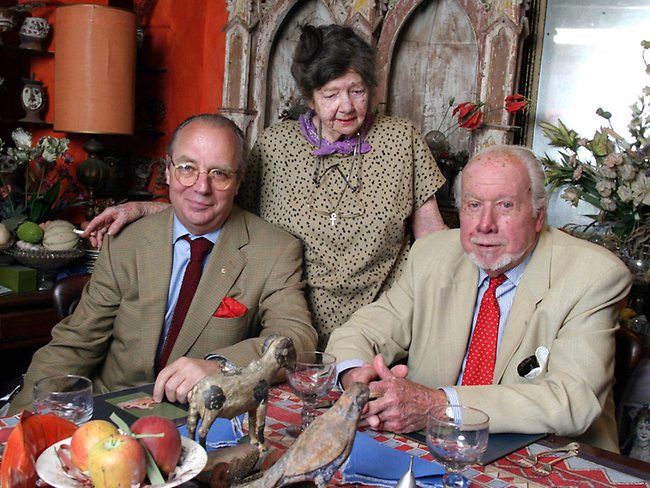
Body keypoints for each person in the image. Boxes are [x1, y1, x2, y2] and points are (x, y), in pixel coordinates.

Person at [82, 24, 448, 349]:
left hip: (382, 330)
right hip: (285, 328)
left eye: (357, 91)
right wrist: (144, 208)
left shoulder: (402, 140)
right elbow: (222, 210)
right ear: (308, 97)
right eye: (331, 94)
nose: (347, 107)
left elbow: (432, 236)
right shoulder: (275, 146)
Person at [325, 144, 632, 452]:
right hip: (432, 447)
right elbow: (361, 332)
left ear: (539, 215)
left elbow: (573, 399)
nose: (485, 225)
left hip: (550, 457)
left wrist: (438, 404)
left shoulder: (593, 275)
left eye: (505, 205)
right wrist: (358, 380)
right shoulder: (432, 255)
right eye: (473, 205)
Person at [9, 114, 317, 414]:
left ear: (239, 182)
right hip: (111, 407)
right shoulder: (126, 241)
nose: (201, 187)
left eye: (219, 174)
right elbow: (75, 344)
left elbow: (298, 340)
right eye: (187, 168)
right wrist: (17, 423)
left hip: (200, 419)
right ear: (167, 171)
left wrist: (222, 366)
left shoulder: (274, 250)